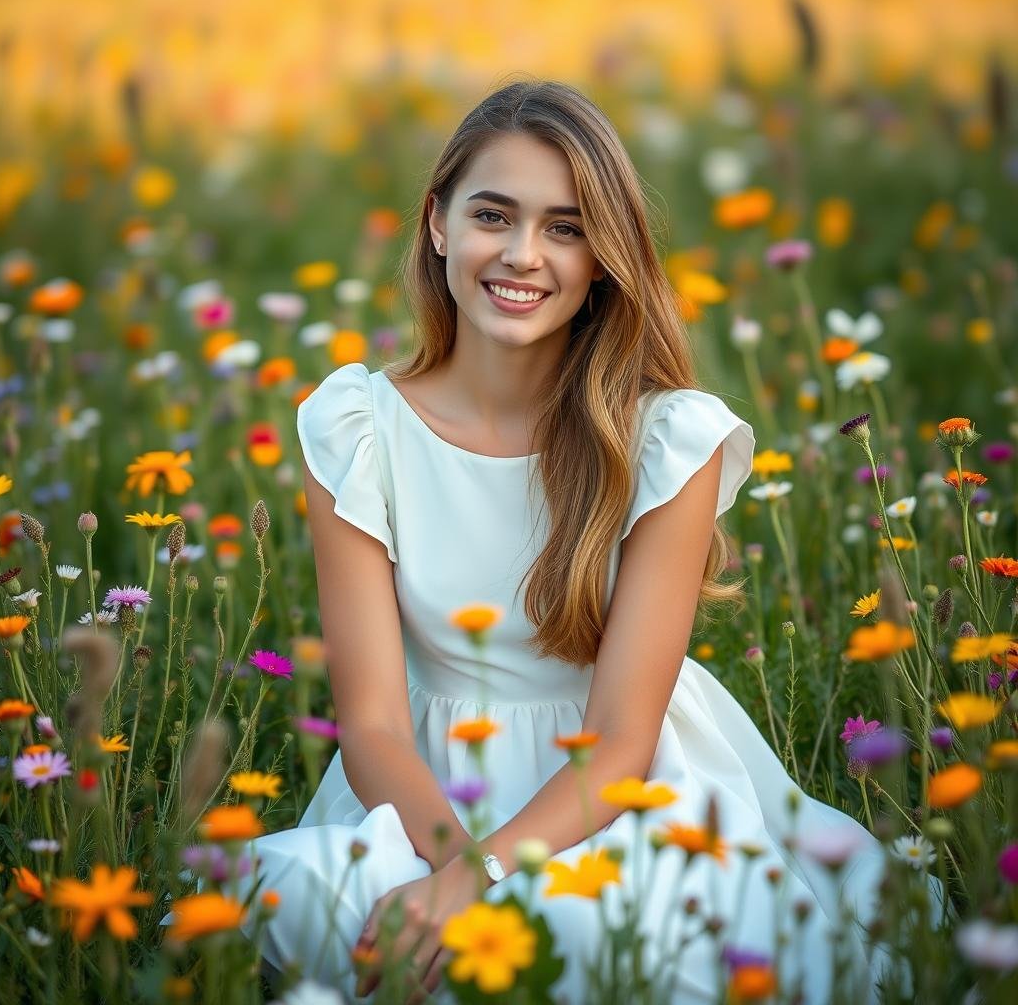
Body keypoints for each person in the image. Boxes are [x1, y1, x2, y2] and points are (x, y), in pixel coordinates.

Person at [234, 80, 935, 1003]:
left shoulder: (662, 441)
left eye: (566, 228)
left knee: (582, 938)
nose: (523, 255)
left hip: (620, 789)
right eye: (494, 214)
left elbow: (617, 746)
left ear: (605, 256)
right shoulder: (360, 426)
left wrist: (477, 881)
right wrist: (448, 867)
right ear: (438, 222)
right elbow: (369, 722)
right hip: (420, 792)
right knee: (312, 904)